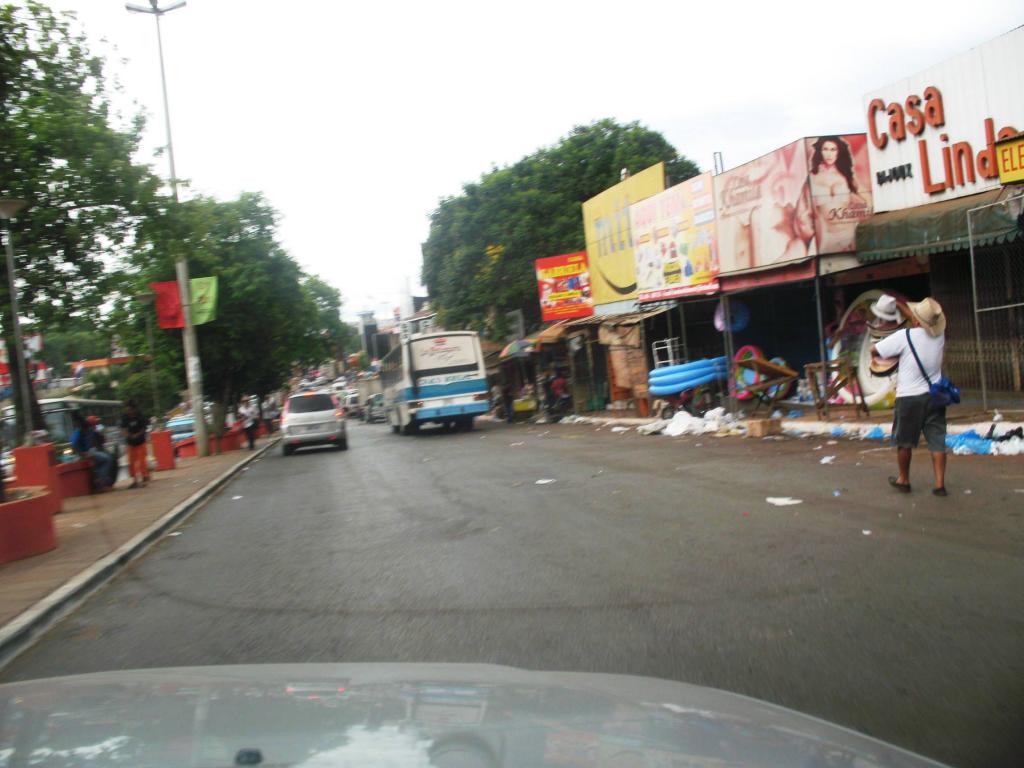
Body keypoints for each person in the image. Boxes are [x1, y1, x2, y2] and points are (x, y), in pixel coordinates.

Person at [871, 297, 948, 496]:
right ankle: (939, 484)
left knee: (904, 441)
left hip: (909, 398)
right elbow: (917, 321)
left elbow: (875, 350)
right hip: (935, 396)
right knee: (937, 441)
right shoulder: (939, 337)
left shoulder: (904, 336)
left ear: (915, 321)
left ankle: (904, 479)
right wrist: (900, 306)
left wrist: (895, 354)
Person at [70, 413, 115, 491]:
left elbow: (100, 440)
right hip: (86, 453)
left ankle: (101, 479)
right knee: (107, 459)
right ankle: (101, 480)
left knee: (103, 459)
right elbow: (74, 444)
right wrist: (82, 454)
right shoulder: (79, 432)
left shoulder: (90, 430)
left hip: (91, 451)